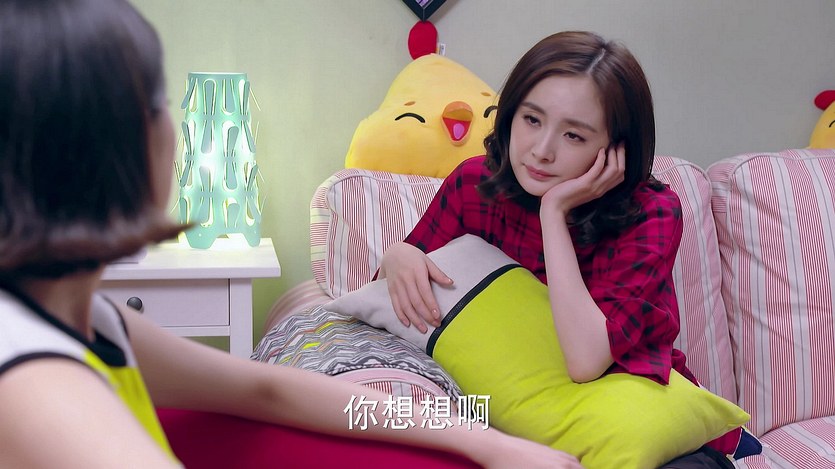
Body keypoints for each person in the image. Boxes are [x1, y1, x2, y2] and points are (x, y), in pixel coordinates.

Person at [0, 1, 584, 467]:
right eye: (161, 104)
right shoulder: (35, 383)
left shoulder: (92, 321)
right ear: (115, 146)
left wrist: (486, 441)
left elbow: (268, 390)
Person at [379, 31, 744, 467]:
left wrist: (553, 213)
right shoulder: (475, 185)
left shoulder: (651, 213)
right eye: (532, 119)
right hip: (517, 424)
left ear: (616, 150)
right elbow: (391, 305)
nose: (541, 151)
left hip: (641, 423)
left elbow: (586, 361)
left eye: (573, 135)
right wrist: (397, 255)